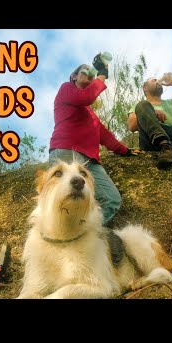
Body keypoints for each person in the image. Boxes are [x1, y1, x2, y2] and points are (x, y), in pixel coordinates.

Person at [49, 53, 135, 227]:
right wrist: (102, 74)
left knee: (111, 199)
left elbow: (104, 135)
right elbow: (86, 96)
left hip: (91, 162)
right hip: (66, 151)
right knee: (61, 199)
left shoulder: (89, 112)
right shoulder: (66, 89)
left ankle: (83, 236)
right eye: (84, 71)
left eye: (92, 73)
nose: (89, 74)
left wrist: (126, 151)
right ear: (74, 76)